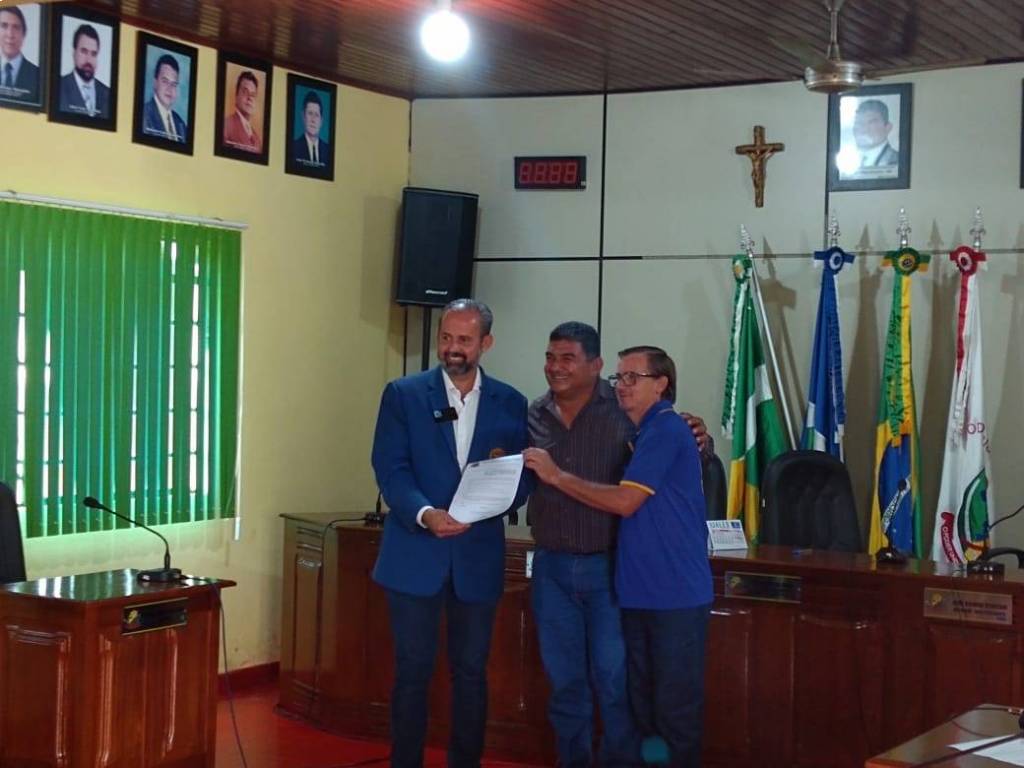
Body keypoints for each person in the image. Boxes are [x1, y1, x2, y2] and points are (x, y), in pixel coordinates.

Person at [526, 322, 713, 768]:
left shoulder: (657, 424)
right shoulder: (534, 413)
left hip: (649, 585)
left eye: (633, 377)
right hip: (616, 583)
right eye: (622, 377)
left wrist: (557, 476)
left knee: (656, 705)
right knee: (631, 701)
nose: (624, 385)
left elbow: (629, 500)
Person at [371, 298, 529, 768]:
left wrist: (493, 504)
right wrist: (425, 514)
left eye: (464, 339)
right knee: (412, 671)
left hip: (476, 558)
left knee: (472, 673)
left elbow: (521, 476)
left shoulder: (510, 401)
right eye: (446, 337)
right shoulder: (403, 394)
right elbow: (391, 468)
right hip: (415, 554)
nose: (452, 348)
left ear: (486, 343)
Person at [58, 23, 110, 118]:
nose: (88, 60)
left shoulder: (107, 94)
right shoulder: (59, 87)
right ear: (74, 53)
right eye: (84, 51)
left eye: (93, 54)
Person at [142, 54, 187, 142]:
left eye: (174, 84)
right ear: (155, 83)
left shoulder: (181, 124)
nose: (169, 89)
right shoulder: (144, 115)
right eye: (165, 81)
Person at [0, 6, 39, 103]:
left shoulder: (38, 75)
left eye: (16, 27)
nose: (10, 34)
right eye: (4, 26)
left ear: (24, 34)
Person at [291, 89, 332, 169]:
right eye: (310, 113)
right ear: (303, 116)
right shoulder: (294, 147)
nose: (313, 120)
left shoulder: (328, 151)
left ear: (321, 120)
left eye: (316, 115)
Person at [852, 98, 898, 170]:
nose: (863, 129)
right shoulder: (845, 161)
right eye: (858, 123)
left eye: (871, 123)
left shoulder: (898, 161)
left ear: (888, 127)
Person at [222, 70, 262, 152]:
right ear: (236, 95)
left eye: (253, 94)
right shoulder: (226, 125)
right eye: (245, 92)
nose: (250, 98)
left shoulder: (257, 138)